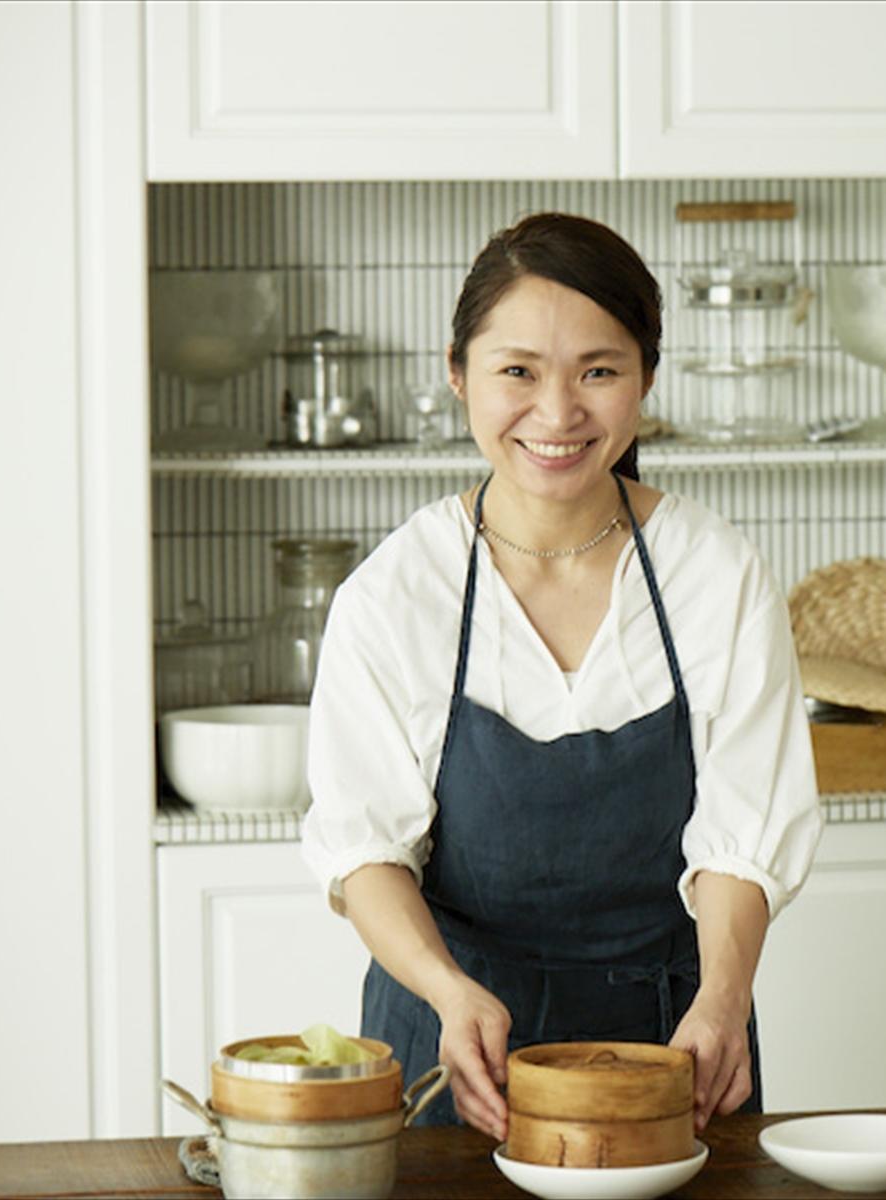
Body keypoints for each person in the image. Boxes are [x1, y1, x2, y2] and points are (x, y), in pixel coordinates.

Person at [300, 212, 823, 1140]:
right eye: (517, 372)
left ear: (646, 380)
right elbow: (364, 851)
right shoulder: (395, 594)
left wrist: (725, 997)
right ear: (456, 374)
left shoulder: (714, 574)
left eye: (598, 371)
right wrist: (446, 990)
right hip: (450, 1049)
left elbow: (747, 833)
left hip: (674, 1050)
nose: (557, 414)